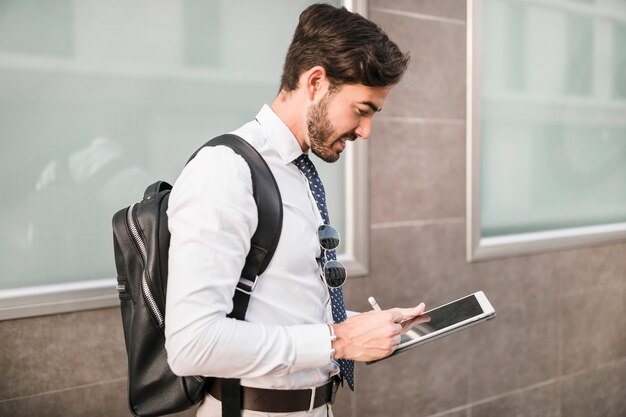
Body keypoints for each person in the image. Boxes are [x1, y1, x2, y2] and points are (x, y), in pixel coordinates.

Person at [165, 4, 426, 416]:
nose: (366, 131)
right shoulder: (226, 170)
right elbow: (192, 344)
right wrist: (338, 341)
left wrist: (365, 329)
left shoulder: (298, 170)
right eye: (362, 110)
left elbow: (283, 304)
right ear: (316, 81)